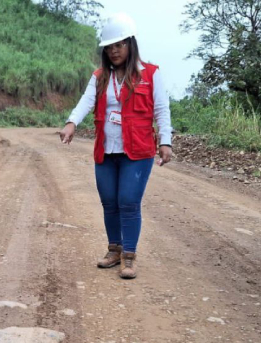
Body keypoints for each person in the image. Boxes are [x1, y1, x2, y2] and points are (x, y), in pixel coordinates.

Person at [59, 12, 173, 279]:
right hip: (106, 150)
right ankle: (114, 250)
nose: (114, 51)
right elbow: (86, 101)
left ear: (130, 44)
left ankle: (129, 257)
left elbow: (162, 110)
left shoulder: (151, 74)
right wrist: (71, 123)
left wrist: (165, 141)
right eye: (109, 47)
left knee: (129, 202)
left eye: (119, 45)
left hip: (138, 151)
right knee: (109, 202)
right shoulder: (99, 76)